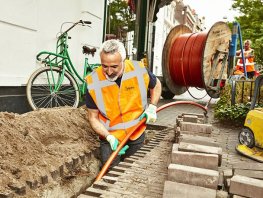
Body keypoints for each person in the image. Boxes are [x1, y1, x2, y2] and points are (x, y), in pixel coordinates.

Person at [85, 39, 162, 168]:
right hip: (110, 136)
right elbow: (93, 117)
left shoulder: (138, 70)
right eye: (104, 66)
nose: (109, 72)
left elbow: (156, 85)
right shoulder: (93, 81)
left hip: (136, 132)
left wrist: (153, 106)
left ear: (123, 61)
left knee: (132, 170)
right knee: (110, 171)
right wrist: (108, 137)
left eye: (114, 66)